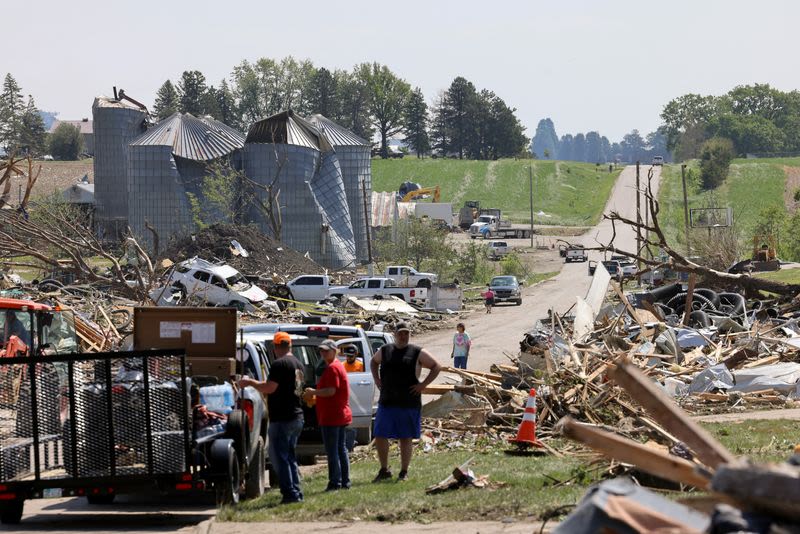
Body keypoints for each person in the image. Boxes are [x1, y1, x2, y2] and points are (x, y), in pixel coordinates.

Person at [370, 322, 441, 482]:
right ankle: (384, 469)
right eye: (401, 333)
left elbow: (436, 366)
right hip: (387, 401)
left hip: (409, 402)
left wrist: (423, 385)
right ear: (395, 334)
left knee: (405, 437)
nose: (403, 336)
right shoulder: (385, 350)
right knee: (380, 434)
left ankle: (403, 472)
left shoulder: (417, 352)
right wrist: (376, 378)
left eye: (406, 333)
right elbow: (374, 362)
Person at [238, 332, 305, 504]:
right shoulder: (298, 364)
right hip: (296, 416)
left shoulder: (279, 364)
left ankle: (290, 494)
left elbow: (269, 388)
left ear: (275, 348)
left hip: (283, 418)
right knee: (289, 456)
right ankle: (296, 492)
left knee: (279, 458)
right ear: (289, 345)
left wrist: (250, 382)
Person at [302, 340, 352, 491]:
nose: (323, 353)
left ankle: (335, 483)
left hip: (332, 416)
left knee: (333, 451)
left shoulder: (332, 368)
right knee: (340, 449)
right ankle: (345, 482)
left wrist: (313, 392)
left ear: (334, 350)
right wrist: (317, 397)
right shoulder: (337, 366)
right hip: (339, 414)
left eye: (326, 350)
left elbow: (331, 391)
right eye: (321, 351)